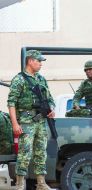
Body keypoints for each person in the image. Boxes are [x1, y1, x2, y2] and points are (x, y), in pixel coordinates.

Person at [7, 50, 55, 190]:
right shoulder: (19, 79)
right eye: (38, 61)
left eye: (41, 61)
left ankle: (41, 183)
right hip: (26, 121)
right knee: (25, 152)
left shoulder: (41, 78)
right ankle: (20, 183)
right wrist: (15, 123)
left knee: (41, 152)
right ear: (30, 61)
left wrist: (51, 108)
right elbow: (11, 102)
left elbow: (50, 98)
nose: (41, 64)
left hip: (41, 121)